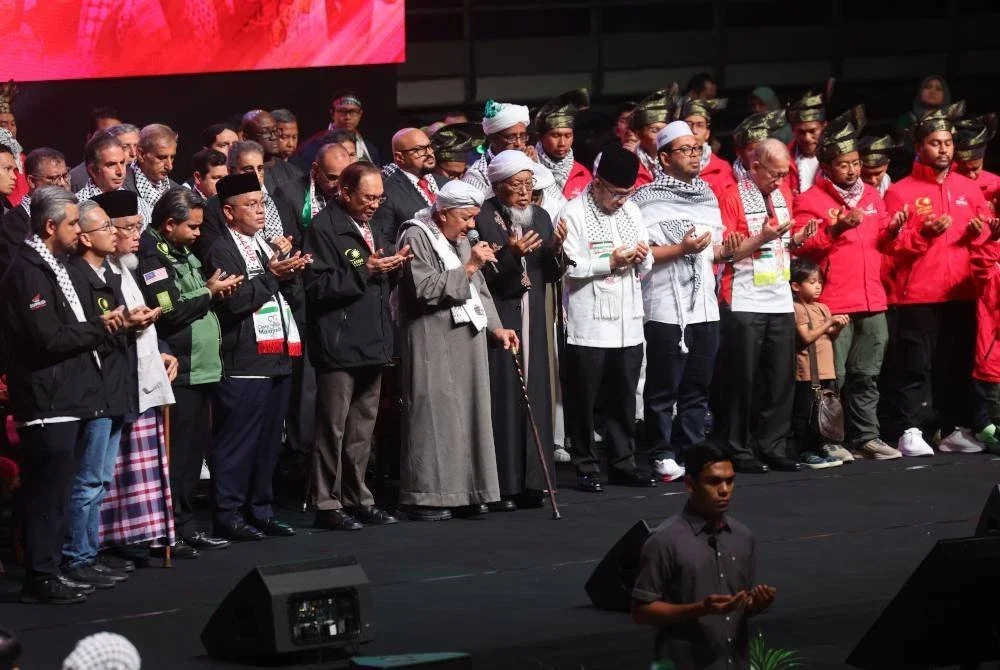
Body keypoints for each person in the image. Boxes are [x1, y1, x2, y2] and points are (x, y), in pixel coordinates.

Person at [0, 187, 121, 604]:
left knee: (56, 490)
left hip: (64, 394)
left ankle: (50, 569)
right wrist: (100, 327)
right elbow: (47, 337)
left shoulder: (53, 264)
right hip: (44, 397)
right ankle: (40, 574)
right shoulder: (28, 269)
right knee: (45, 493)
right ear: (50, 226)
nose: (78, 229)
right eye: (72, 223)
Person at [396, 180, 519, 521]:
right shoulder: (416, 235)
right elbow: (423, 290)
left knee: (470, 415)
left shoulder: (463, 239)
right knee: (434, 416)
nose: (470, 226)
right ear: (443, 212)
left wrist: (497, 327)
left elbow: (479, 290)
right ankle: (427, 496)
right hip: (432, 337)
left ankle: (469, 491)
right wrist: (469, 267)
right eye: (465, 218)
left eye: (474, 218)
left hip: (467, 338)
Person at [792, 106, 904, 461]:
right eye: (844, 164)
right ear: (826, 166)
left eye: (855, 162)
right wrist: (836, 228)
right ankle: (828, 439)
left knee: (866, 376)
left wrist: (895, 230)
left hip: (872, 297)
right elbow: (804, 248)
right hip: (834, 300)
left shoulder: (872, 196)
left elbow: (884, 243)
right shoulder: (810, 200)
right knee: (831, 379)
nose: (853, 169)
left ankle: (867, 437)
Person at [882, 101, 994, 455]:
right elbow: (890, 248)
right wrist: (924, 235)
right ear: (919, 148)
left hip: (961, 290)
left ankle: (953, 429)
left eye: (947, 142)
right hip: (917, 293)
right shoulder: (900, 191)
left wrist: (984, 233)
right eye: (935, 142)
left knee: (956, 364)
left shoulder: (969, 189)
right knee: (915, 366)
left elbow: (982, 243)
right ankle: (910, 429)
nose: (943, 148)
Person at [202, 172, 307, 541]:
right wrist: (273, 275)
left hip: (277, 354)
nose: (261, 211)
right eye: (251, 205)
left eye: (262, 203)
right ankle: (228, 513)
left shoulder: (262, 244)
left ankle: (260, 509)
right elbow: (237, 302)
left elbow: (280, 297)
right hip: (243, 359)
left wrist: (288, 268)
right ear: (228, 213)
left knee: (267, 442)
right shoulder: (220, 249)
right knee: (238, 442)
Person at [303, 162, 407, 530]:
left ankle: (357, 497)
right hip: (339, 342)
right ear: (344, 192)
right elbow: (316, 288)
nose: (375, 204)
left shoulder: (375, 225)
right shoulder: (323, 228)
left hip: (374, 340)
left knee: (363, 428)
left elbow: (374, 274)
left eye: (380, 197)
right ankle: (326, 503)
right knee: (332, 428)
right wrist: (366, 270)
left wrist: (392, 267)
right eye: (368, 197)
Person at [63, 199, 160, 589]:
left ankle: (91, 551)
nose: (115, 233)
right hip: (94, 389)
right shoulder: (76, 276)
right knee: (87, 479)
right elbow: (87, 331)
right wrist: (125, 324)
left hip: (119, 385)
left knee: (102, 478)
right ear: (85, 236)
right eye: (106, 228)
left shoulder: (111, 272)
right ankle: (76, 556)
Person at [138, 187, 242, 553]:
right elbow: (168, 313)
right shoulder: (152, 258)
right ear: (169, 224)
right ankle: (170, 529)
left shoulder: (181, 251)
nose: (199, 234)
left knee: (192, 453)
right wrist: (209, 292)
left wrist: (209, 292)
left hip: (203, 370)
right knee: (178, 457)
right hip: (180, 371)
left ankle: (186, 525)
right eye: (193, 227)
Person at [92, 190, 184, 563]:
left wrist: (164, 350)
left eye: (138, 226)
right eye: (128, 228)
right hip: (115, 382)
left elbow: (145, 318)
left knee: (140, 463)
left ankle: (138, 534)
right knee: (110, 469)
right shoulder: (100, 273)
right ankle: (109, 541)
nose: (136, 235)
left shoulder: (127, 268)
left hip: (142, 374)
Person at [633, 121, 727, 483]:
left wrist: (753, 242)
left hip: (704, 306)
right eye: (686, 150)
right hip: (664, 306)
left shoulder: (707, 195)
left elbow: (714, 252)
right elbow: (645, 255)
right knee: (662, 388)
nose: (695, 155)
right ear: (664, 157)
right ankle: (661, 452)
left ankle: (691, 450)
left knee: (697, 386)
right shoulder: (646, 198)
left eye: (697, 149)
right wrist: (684, 249)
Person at [716, 139, 817, 474]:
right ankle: (738, 447)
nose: (779, 181)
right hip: (743, 297)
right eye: (774, 174)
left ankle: (772, 445)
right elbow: (728, 253)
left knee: (780, 378)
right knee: (741, 378)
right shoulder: (731, 196)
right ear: (754, 166)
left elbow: (784, 242)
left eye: (784, 175)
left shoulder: (783, 194)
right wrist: (763, 238)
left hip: (778, 296)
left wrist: (797, 239)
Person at [631, 442, 775, 670]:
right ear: (689, 484)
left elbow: (737, 609)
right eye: (714, 481)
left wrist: (755, 604)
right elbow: (641, 611)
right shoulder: (664, 540)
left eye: (730, 480)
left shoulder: (742, 537)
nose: (724, 489)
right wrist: (700, 609)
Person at [561, 147, 655, 492]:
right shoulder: (572, 212)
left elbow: (645, 267)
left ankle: (622, 462)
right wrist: (609, 262)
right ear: (597, 184)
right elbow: (569, 268)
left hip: (628, 320)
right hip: (588, 322)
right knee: (584, 400)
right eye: (615, 193)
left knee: (624, 396)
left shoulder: (632, 211)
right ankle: (585, 464)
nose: (620, 200)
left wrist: (642, 257)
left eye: (626, 193)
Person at [477, 150, 562, 510]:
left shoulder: (540, 216)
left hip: (534, 316)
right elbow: (486, 275)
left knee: (536, 393)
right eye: (517, 185)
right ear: (498, 186)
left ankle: (532, 482)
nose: (525, 192)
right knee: (505, 396)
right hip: (502, 315)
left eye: (529, 185)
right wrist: (510, 254)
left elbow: (550, 270)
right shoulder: (483, 218)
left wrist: (557, 247)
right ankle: (504, 485)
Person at [789, 259, 848, 468]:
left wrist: (838, 326)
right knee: (806, 413)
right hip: (808, 372)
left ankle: (820, 447)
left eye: (820, 282)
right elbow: (806, 337)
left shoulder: (822, 308)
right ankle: (805, 451)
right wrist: (830, 322)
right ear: (796, 286)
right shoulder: (798, 308)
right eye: (812, 282)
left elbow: (829, 336)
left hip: (826, 370)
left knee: (824, 413)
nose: (817, 286)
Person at [1, 147, 69, 276]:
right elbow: (21, 273)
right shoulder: (11, 225)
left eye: (65, 176)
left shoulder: (70, 213)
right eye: (53, 178)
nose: (62, 184)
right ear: (31, 181)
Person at [372, 128, 447, 242]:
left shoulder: (445, 183)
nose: (429, 153)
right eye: (419, 150)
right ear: (400, 157)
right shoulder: (388, 192)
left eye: (429, 146)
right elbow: (383, 242)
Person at [968, 219, 1000, 449]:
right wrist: (994, 240)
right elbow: (980, 267)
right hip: (994, 350)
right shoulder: (990, 264)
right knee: (995, 405)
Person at [75, 131, 153, 227]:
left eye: (122, 162)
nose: (120, 172)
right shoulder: (77, 208)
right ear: (93, 170)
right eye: (111, 165)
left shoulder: (139, 203)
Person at [463, 100, 532, 196]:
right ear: (492, 139)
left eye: (523, 136)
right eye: (511, 137)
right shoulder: (476, 177)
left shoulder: (533, 162)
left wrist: (536, 168)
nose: (519, 143)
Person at [534, 89, 593, 200]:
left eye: (568, 135)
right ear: (541, 137)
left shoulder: (582, 174)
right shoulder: (529, 168)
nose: (562, 143)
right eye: (555, 136)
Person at [675, 97, 734, 200]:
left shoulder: (722, 169)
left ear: (707, 133)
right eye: (688, 125)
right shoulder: (667, 166)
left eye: (700, 125)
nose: (693, 130)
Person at [241, 109, 303, 189]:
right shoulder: (241, 173)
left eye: (275, 131)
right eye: (266, 132)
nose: (273, 137)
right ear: (246, 138)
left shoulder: (294, 172)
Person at [124, 124, 180, 211]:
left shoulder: (178, 191)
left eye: (172, 157)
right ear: (141, 154)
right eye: (161, 157)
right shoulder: (120, 186)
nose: (170, 166)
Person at [69, 107, 124, 192]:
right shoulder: (76, 179)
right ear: (90, 137)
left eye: (117, 134)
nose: (112, 140)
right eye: (106, 134)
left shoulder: (131, 173)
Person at [631, 88, 676, 187]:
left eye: (665, 130)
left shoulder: (677, 161)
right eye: (655, 131)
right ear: (639, 134)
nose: (662, 135)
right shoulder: (628, 163)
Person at [954, 114, 1000, 208]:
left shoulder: (996, 184)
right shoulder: (945, 184)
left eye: (975, 168)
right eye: (964, 170)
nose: (971, 175)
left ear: (982, 159)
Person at [730, 111, 787, 184]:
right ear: (738, 152)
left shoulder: (782, 181)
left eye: (765, 150)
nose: (760, 156)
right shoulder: (727, 186)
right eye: (753, 150)